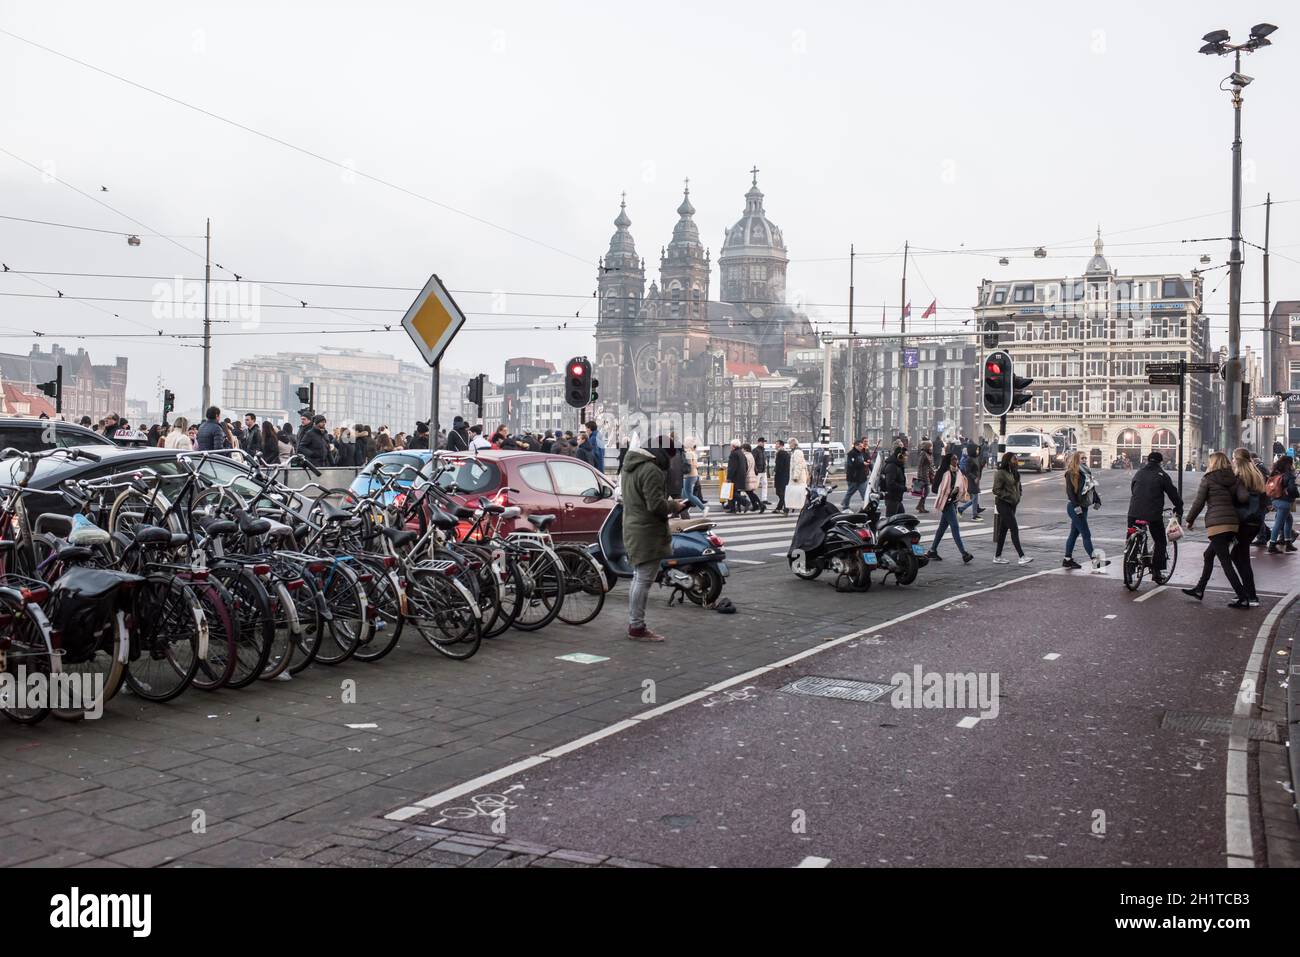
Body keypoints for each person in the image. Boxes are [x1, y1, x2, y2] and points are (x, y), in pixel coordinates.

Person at [621, 438, 685, 642]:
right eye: (670, 457)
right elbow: (655, 505)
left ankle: (635, 623)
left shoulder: (630, 466)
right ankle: (637, 626)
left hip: (633, 525)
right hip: (647, 530)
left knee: (638, 578)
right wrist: (675, 506)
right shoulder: (651, 470)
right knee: (643, 580)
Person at [1181, 451, 1250, 607]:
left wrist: (1189, 520)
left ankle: (1243, 596)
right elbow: (1244, 498)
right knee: (1208, 555)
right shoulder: (1235, 478)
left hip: (1217, 524)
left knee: (1225, 562)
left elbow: (1198, 503)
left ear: (1213, 463)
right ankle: (1199, 589)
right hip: (1232, 523)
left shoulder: (1208, 479)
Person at [1126, 451, 1183, 577]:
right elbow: (1173, 494)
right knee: (1160, 540)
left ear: (1147, 460)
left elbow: (1133, 489)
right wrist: (1179, 507)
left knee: (1131, 537)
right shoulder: (1162, 475)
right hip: (1152, 513)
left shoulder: (1139, 473)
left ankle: (1129, 570)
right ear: (1160, 462)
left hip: (1133, 512)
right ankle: (1157, 571)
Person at [1230, 447, 1267, 607]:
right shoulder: (1257, 475)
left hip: (1244, 523)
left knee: (1240, 556)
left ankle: (1250, 595)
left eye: (1233, 457)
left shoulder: (1240, 477)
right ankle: (1247, 593)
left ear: (1238, 460)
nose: (1232, 460)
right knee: (1239, 555)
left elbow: (1240, 498)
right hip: (1256, 522)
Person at [926, 452, 973, 563]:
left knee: (942, 528)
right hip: (946, 503)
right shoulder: (943, 472)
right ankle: (964, 553)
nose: (955, 461)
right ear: (948, 461)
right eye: (953, 459)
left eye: (956, 459)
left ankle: (932, 550)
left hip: (953, 502)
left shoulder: (958, 472)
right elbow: (934, 488)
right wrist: (946, 492)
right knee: (955, 526)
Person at [1063, 451, 1105, 569]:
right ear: (1076, 459)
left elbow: (1091, 489)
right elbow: (1070, 492)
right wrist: (1076, 507)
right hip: (1075, 507)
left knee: (1074, 534)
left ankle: (1067, 559)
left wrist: (1097, 500)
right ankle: (1095, 561)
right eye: (1082, 458)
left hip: (1084, 507)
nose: (1085, 460)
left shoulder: (1086, 472)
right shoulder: (1071, 473)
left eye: (1086, 458)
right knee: (1086, 534)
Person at [992, 452, 1032, 565]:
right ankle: (1021, 556)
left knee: (1003, 531)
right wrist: (1008, 496)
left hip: (1012, 504)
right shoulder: (1001, 473)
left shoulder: (1015, 472)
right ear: (1008, 460)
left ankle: (997, 556)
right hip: (1003, 504)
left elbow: (1019, 486)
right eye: (1014, 459)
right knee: (1014, 528)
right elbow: (996, 490)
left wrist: (1019, 496)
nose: (1016, 460)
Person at [1266, 455, 1297, 553]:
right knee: (1278, 524)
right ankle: (1272, 545)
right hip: (1284, 502)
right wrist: (1296, 494)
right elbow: (1292, 489)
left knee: (1289, 520)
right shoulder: (1289, 475)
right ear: (1289, 464)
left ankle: (1288, 542)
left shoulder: (1275, 473)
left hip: (1275, 499)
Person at [957, 442, 985, 522]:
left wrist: (982, 465)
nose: (977, 451)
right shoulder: (969, 459)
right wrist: (974, 478)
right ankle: (974, 515)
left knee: (974, 498)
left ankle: (961, 509)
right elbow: (967, 471)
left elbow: (978, 469)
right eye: (976, 450)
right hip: (971, 481)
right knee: (975, 497)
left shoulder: (976, 458)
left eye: (978, 450)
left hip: (976, 480)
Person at [880, 445, 907, 518]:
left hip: (896, 498)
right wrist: (904, 488)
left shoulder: (897, 465)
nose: (906, 458)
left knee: (901, 517)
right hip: (892, 498)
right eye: (905, 456)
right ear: (900, 456)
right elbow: (890, 484)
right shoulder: (892, 467)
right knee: (890, 518)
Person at [842, 438, 869, 509]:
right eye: (860, 446)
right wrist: (863, 463)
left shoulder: (861, 453)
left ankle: (867, 505)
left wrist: (867, 461)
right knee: (850, 492)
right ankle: (845, 505)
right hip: (853, 478)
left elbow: (865, 458)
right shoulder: (851, 454)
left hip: (861, 477)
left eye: (862, 446)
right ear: (856, 446)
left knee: (864, 492)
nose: (861, 447)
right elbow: (853, 464)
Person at [681, 439, 707, 514]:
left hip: (689, 475)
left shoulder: (688, 453)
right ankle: (685, 510)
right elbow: (695, 465)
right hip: (694, 475)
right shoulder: (694, 453)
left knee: (689, 494)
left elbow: (688, 465)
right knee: (684, 494)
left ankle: (703, 508)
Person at [725, 439, 748, 513]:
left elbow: (732, 467)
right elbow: (746, 465)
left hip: (735, 477)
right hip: (742, 476)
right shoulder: (741, 453)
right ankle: (733, 509)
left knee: (731, 492)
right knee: (735, 492)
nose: (730, 447)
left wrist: (728, 478)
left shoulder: (733, 454)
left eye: (731, 446)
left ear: (734, 446)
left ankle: (746, 502)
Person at [786, 439, 808, 514]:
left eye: (790, 444)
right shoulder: (796, 451)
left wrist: (795, 476)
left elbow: (798, 465)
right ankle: (790, 508)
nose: (789, 445)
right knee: (797, 492)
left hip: (798, 477)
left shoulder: (797, 452)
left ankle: (789, 508)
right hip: (798, 476)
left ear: (793, 444)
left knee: (795, 492)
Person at [741, 443, 762, 512]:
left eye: (742, 448)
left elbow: (745, 467)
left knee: (750, 492)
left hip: (747, 476)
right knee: (749, 492)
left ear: (745, 449)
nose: (741, 450)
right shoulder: (751, 455)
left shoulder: (746, 456)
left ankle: (761, 505)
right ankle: (755, 505)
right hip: (752, 475)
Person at [916, 439, 934, 513]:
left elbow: (930, 465)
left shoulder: (929, 453)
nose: (931, 448)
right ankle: (920, 506)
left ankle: (921, 506)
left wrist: (932, 472)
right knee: (926, 491)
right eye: (930, 446)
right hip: (923, 475)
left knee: (926, 491)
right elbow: (919, 465)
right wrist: (919, 475)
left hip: (927, 475)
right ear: (927, 446)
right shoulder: (923, 453)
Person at [773, 439, 790, 515]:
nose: (775, 445)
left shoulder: (780, 453)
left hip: (781, 476)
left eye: (776, 444)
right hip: (785, 475)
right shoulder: (786, 453)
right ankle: (779, 507)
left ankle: (786, 508)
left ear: (780, 445)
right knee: (781, 492)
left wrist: (775, 470)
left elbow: (779, 465)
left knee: (780, 492)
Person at [753, 438, 770, 507]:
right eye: (762, 442)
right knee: (754, 486)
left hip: (763, 471)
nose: (763, 443)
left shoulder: (763, 450)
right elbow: (753, 461)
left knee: (765, 485)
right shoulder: (755, 450)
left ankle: (764, 499)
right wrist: (755, 470)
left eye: (764, 442)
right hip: (758, 471)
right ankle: (753, 500)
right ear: (758, 442)